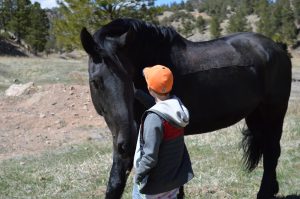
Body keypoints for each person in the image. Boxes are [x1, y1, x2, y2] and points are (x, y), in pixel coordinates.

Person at [133, 65, 194, 199]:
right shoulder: (176, 108)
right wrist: (137, 93)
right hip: (172, 181)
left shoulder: (154, 119)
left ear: (149, 89)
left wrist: (138, 175)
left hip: (154, 185)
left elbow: (150, 156)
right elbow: (160, 107)